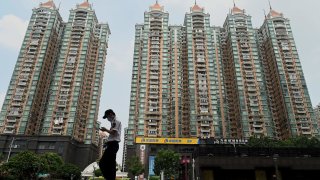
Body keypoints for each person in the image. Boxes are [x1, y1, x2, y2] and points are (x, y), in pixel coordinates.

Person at [99, 109, 122, 180]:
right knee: (110, 164)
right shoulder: (113, 122)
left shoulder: (116, 121)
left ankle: (109, 178)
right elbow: (112, 136)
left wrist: (105, 130)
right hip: (111, 144)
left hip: (113, 145)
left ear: (111, 114)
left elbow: (114, 133)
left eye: (107, 117)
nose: (107, 119)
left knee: (103, 163)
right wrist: (107, 143)